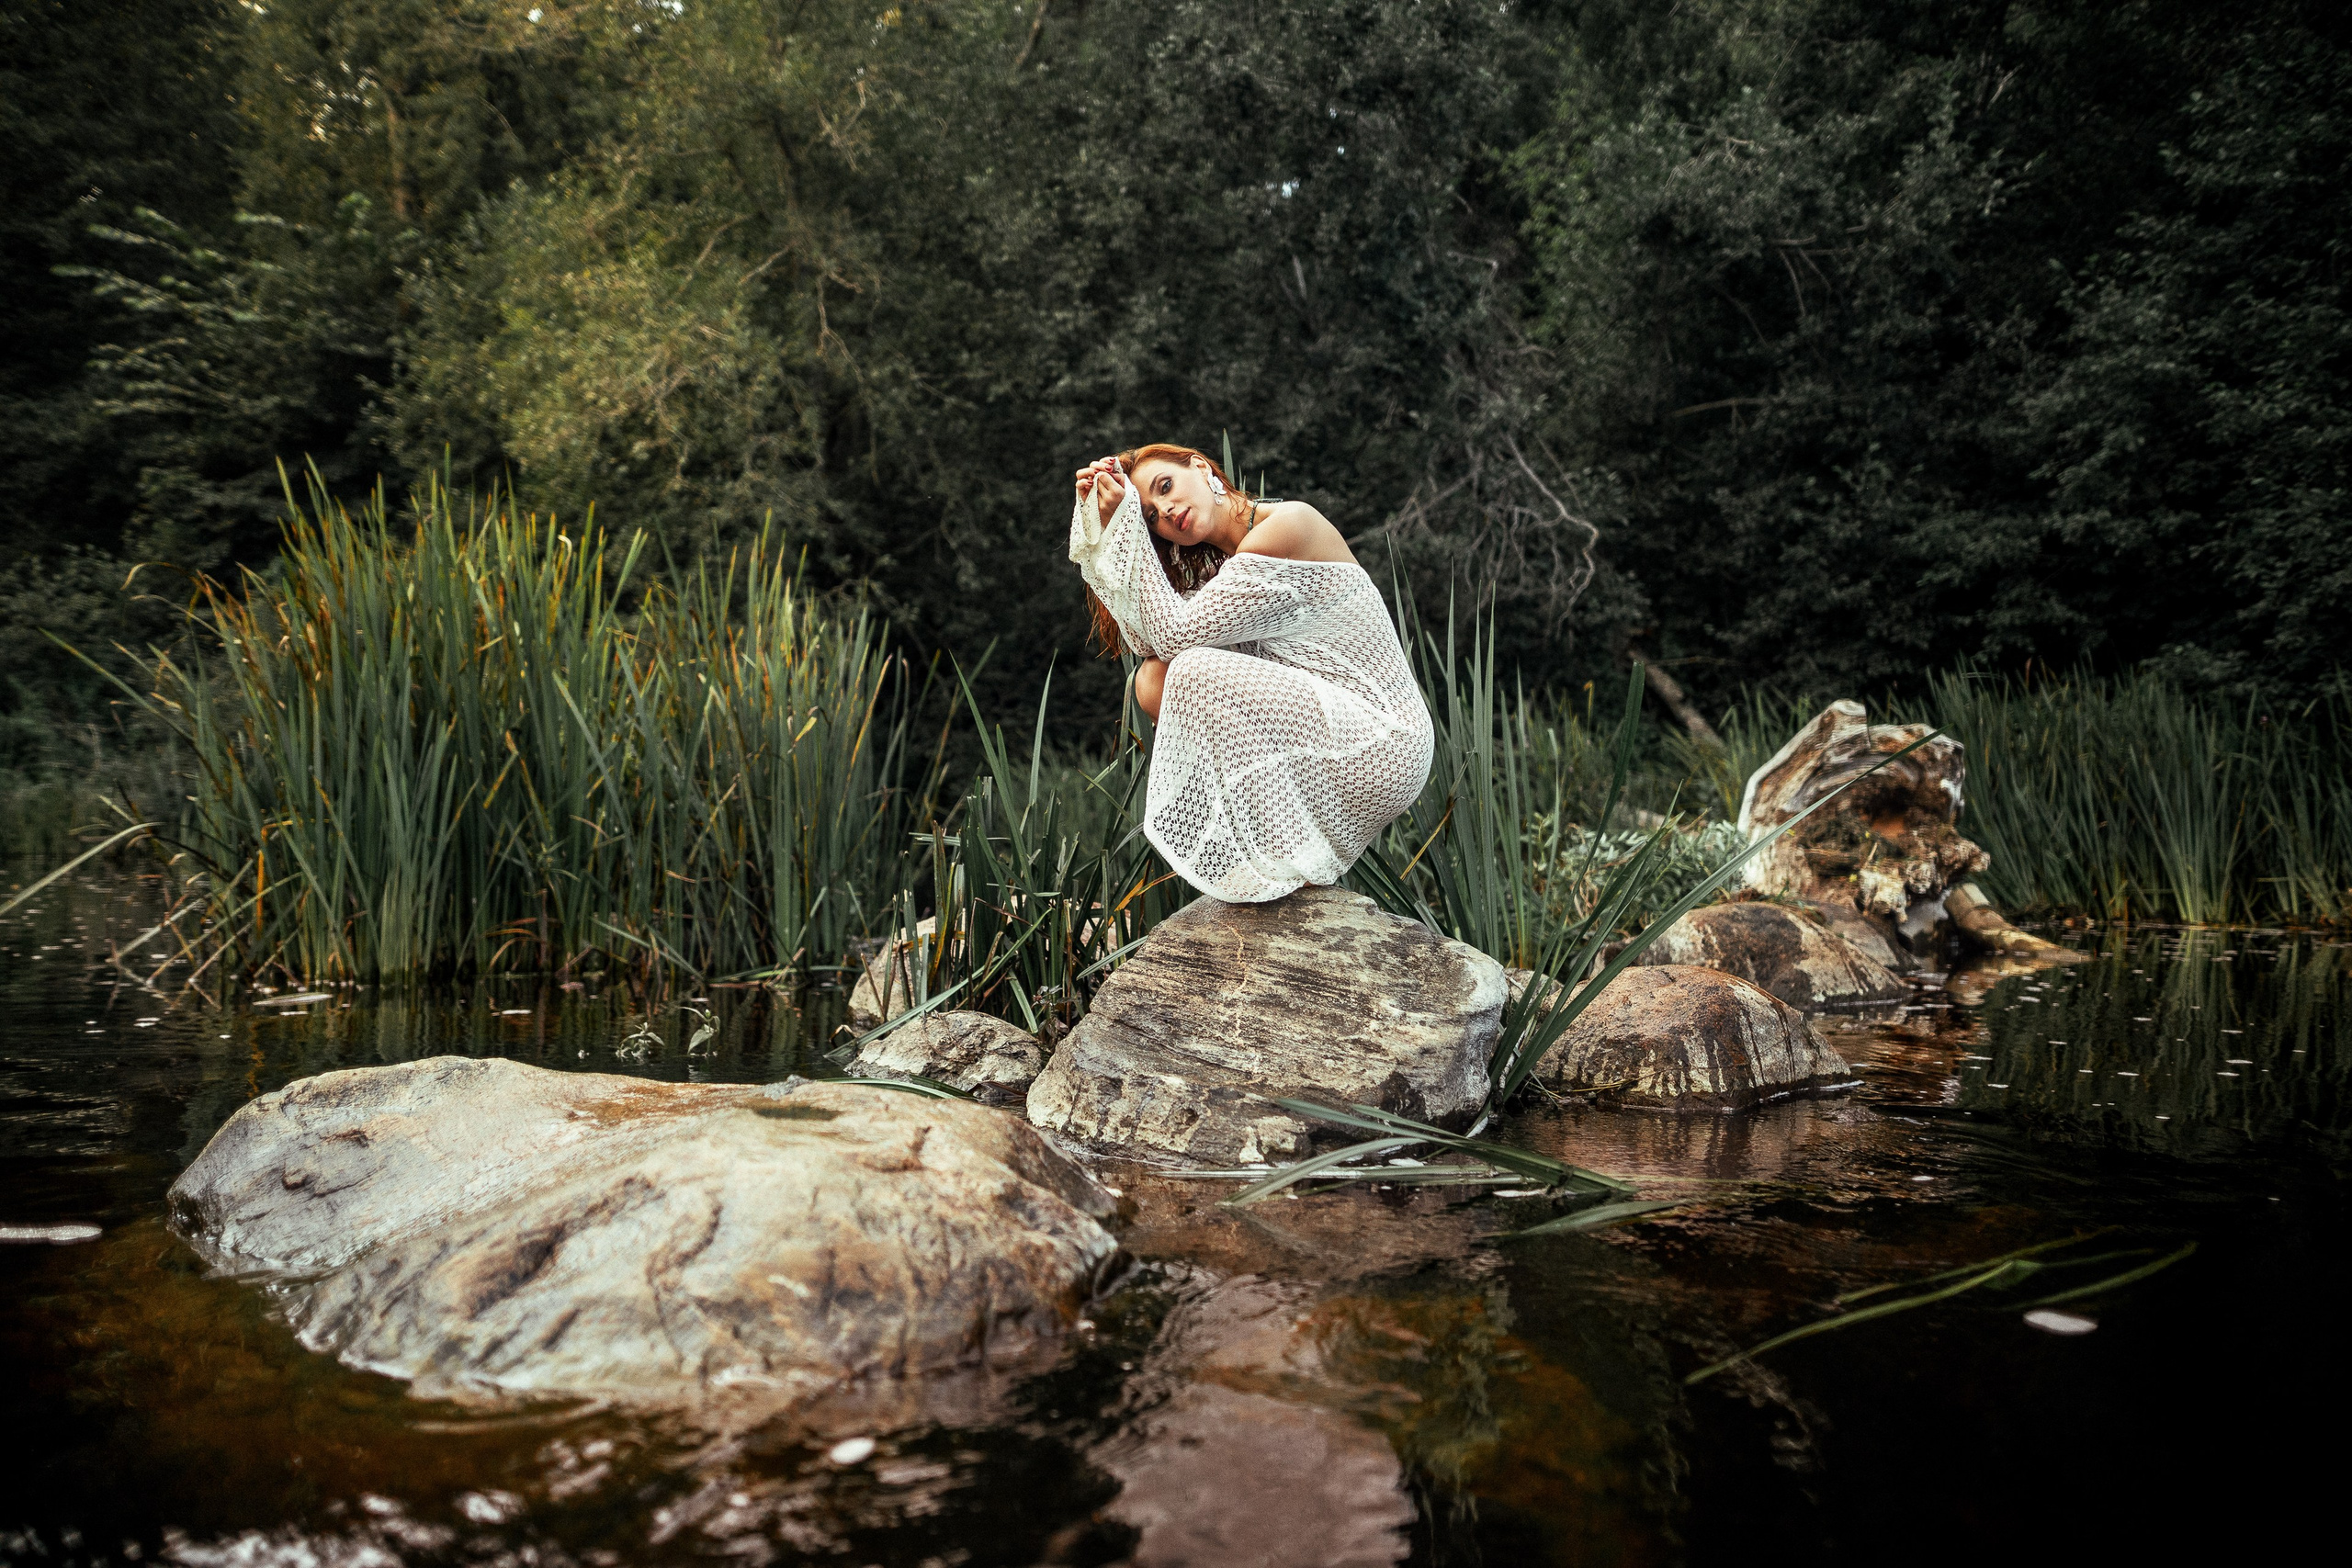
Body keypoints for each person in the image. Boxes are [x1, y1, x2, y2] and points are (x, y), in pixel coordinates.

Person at [1069, 442, 1433, 903]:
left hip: (1384, 740)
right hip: (1335, 731)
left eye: (1166, 487)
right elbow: (1149, 646)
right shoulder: (1228, 572)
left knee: (1193, 667)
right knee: (1153, 679)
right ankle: (1273, 858)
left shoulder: (1289, 526)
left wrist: (1126, 529)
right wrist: (1110, 525)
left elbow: (1177, 636)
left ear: (1202, 468)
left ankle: (1278, 860)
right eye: (1150, 517)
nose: (1167, 510)